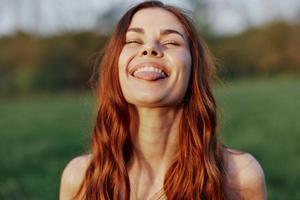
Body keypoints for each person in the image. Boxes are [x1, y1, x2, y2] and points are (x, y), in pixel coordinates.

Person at [59, 1, 267, 199]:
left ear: (193, 69)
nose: (149, 49)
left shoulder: (240, 177)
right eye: (133, 41)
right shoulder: (79, 179)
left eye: (171, 42)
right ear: (116, 66)